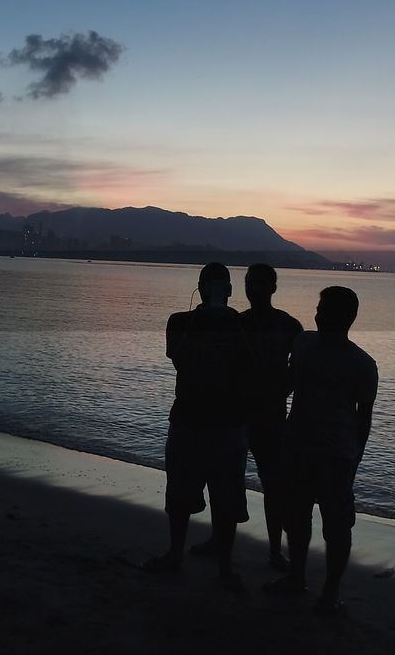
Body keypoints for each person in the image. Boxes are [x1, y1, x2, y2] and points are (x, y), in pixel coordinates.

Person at [264, 286, 378, 615]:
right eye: (319, 307)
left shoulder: (362, 364)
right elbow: (288, 384)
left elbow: (364, 418)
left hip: (336, 456)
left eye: (326, 309)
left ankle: (330, 593)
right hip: (297, 446)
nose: (318, 313)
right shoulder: (304, 343)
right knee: (295, 518)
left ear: (347, 317)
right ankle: (296, 577)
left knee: (337, 527)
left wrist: (355, 459)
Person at [143, 262, 253, 594]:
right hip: (188, 420)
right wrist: (200, 321)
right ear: (200, 289)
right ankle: (175, 554)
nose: (215, 289)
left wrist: (230, 324)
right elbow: (179, 357)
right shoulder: (180, 321)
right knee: (179, 494)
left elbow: (249, 365)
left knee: (227, 499)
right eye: (210, 284)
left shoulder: (241, 324)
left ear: (230, 291)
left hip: (229, 423)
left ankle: (224, 567)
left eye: (220, 284)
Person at [189, 263, 302, 571]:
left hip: (272, 418)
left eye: (262, 283)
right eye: (251, 283)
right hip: (233, 414)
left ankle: (275, 551)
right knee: (225, 481)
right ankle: (218, 539)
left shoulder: (289, 326)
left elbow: (300, 371)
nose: (255, 289)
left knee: (274, 485)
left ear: (273, 287)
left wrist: (281, 393)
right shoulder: (234, 322)